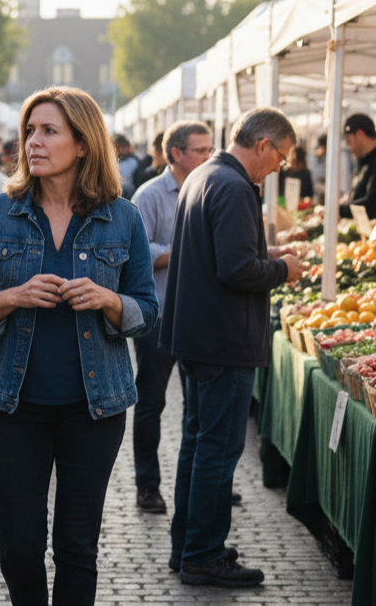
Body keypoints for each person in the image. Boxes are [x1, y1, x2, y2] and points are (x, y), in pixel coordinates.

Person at [0, 86, 158, 606]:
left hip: (95, 406)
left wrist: (110, 300)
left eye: (48, 131)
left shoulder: (123, 218)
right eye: (29, 130)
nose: (32, 142)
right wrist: (12, 296)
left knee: (76, 546)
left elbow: (146, 312)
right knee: (18, 549)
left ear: (83, 143)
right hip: (13, 403)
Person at [161, 107, 307, 587]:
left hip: (197, 335)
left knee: (198, 443)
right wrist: (284, 269)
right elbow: (237, 270)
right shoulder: (233, 186)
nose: (279, 167)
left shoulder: (204, 175)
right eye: (280, 157)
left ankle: (188, 545)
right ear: (263, 145)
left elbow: (225, 255)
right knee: (217, 450)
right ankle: (202, 554)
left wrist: (268, 256)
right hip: (223, 339)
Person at [130, 120, 212, 514]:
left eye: (211, 149)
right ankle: (147, 485)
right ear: (177, 153)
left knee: (198, 405)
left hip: (198, 316)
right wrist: (185, 251)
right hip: (158, 315)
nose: (209, 157)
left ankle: (200, 478)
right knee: (150, 403)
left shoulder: (212, 189)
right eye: (202, 150)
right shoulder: (149, 195)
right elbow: (137, 252)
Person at [338, 114, 376, 219]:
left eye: (349, 140)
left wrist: (339, 209)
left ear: (360, 134)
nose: (348, 147)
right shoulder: (363, 161)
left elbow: (373, 205)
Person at [113, 133, 140, 200]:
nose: (120, 150)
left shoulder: (133, 161)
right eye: (118, 147)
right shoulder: (110, 162)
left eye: (123, 147)